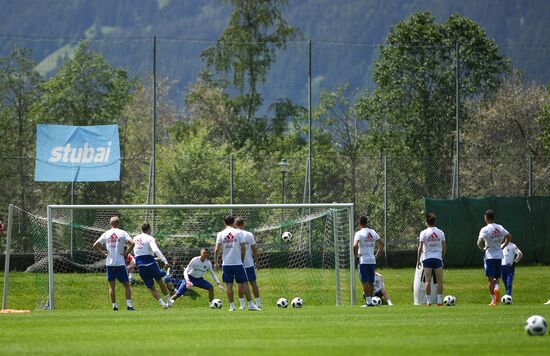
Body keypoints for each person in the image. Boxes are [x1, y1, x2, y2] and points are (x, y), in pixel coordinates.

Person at [214, 215, 260, 312]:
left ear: (224, 222)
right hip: (238, 263)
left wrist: (216, 262)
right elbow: (243, 246)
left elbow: (217, 249)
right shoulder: (238, 232)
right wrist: (242, 258)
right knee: (244, 283)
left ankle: (232, 307)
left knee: (229, 285)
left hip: (226, 263)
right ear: (233, 222)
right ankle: (251, 304)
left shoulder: (220, 233)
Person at [93, 216, 135, 311]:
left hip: (109, 263)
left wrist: (104, 254)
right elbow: (132, 243)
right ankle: (129, 306)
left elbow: (95, 245)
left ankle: (114, 306)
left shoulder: (106, 233)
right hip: (120, 263)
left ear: (110, 224)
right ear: (118, 224)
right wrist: (126, 254)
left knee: (111, 286)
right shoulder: (123, 233)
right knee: (126, 285)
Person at [133, 223, 173, 309]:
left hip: (140, 265)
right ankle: (169, 301)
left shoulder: (135, 238)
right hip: (150, 263)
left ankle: (163, 304)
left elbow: (135, 251)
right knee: (160, 282)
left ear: (141, 229)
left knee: (151, 287)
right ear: (149, 229)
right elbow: (155, 250)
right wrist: (165, 260)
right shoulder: (150, 238)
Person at [477, 210, 512, 306]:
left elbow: (479, 242)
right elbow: (509, 237)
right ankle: (497, 289)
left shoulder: (485, 229)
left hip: (489, 256)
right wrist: (503, 245)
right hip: (499, 256)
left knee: (490, 278)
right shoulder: (500, 227)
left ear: (486, 217)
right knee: (496, 277)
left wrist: (483, 249)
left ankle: (493, 300)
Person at [353, 215, 384, 307]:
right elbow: (381, 244)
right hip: (372, 261)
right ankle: (370, 302)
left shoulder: (359, 233)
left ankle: (368, 302)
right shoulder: (373, 232)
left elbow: (354, 246)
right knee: (370, 282)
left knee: (365, 282)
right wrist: (376, 255)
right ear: (367, 222)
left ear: (359, 223)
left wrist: (355, 256)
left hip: (363, 261)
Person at [417, 213, 446, 306]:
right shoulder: (440, 232)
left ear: (426, 222)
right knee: (440, 280)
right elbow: (444, 246)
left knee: (428, 281)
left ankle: (428, 301)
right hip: (437, 258)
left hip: (427, 258)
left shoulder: (423, 232)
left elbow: (420, 247)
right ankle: (439, 301)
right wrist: (441, 256)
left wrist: (418, 259)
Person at [235, 217, 262, 309]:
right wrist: (257, 262)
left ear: (235, 224)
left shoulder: (234, 234)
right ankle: (258, 303)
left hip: (237, 263)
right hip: (249, 263)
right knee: (253, 283)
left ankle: (242, 305)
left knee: (239, 284)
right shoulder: (249, 234)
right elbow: (254, 249)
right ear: (243, 224)